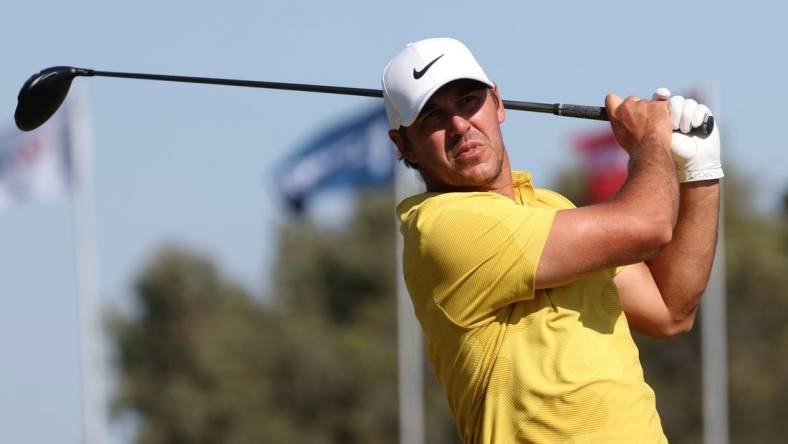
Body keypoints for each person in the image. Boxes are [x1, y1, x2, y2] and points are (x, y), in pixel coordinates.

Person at [382, 37, 722, 443]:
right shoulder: (440, 228)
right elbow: (648, 225)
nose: (459, 125)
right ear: (404, 145)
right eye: (431, 116)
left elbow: (670, 310)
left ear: (498, 103)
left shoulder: (550, 207)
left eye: (468, 100)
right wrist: (650, 139)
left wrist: (701, 170)